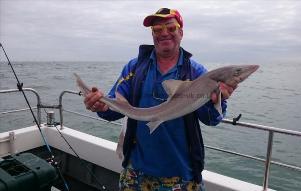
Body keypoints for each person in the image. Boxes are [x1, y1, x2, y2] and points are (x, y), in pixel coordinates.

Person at [84, 8, 236, 191]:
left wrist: (218, 99)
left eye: (171, 28)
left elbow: (212, 120)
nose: (164, 33)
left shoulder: (196, 73)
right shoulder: (135, 68)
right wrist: (100, 105)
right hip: (136, 171)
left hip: (182, 175)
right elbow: (112, 111)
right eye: (157, 30)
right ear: (152, 35)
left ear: (181, 32)